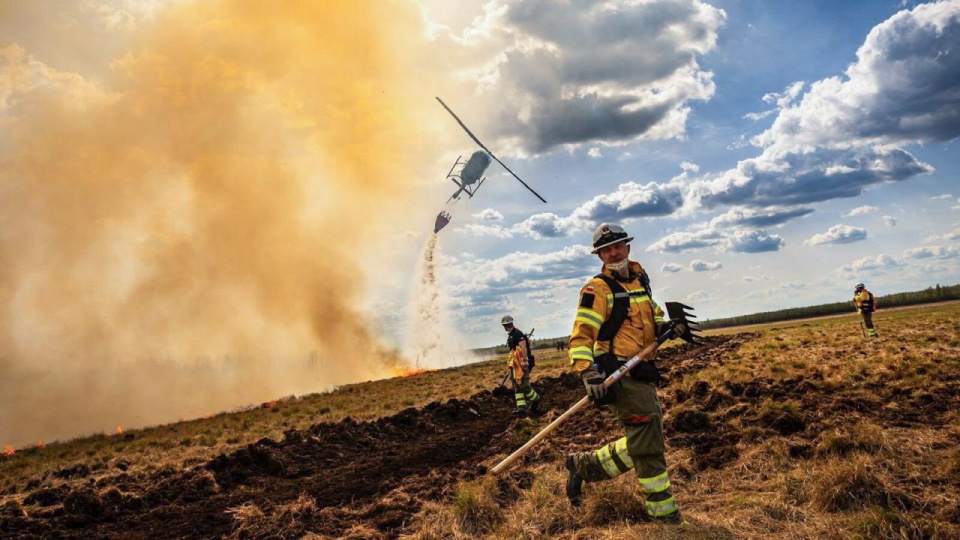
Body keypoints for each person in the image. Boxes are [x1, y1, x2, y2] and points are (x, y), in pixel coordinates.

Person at [564, 223, 684, 524]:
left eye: (618, 246)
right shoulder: (597, 289)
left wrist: (667, 326)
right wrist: (587, 373)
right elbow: (581, 337)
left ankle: (583, 466)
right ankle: (665, 517)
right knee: (649, 445)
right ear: (600, 256)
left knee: (646, 437)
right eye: (606, 249)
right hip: (619, 374)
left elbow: (652, 315)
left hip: (641, 371)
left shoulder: (640, 280)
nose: (613, 252)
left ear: (628, 247)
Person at [502, 315, 541, 417]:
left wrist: (524, 361)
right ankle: (521, 409)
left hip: (523, 363)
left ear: (505, 326)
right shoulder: (511, 335)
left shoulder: (517, 334)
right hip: (515, 365)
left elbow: (523, 347)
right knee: (517, 387)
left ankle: (536, 399)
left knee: (523, 385)